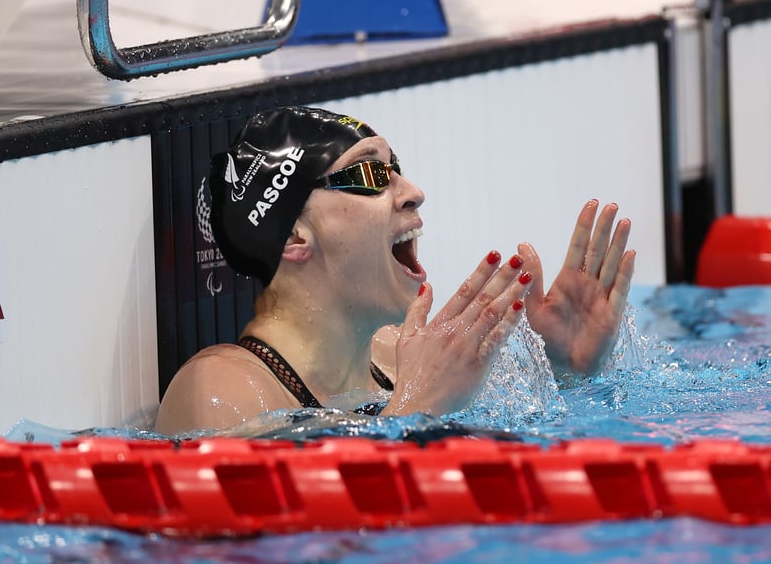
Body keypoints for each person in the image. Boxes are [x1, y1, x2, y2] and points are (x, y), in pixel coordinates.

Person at [154, 106, 634, 436]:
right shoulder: (223, 392)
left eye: (396, 169)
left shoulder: (399, 356)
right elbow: (274, 555)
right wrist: (415, 410)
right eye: (370, 175)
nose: (413, 191)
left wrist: (567, 375)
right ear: (295, 235)